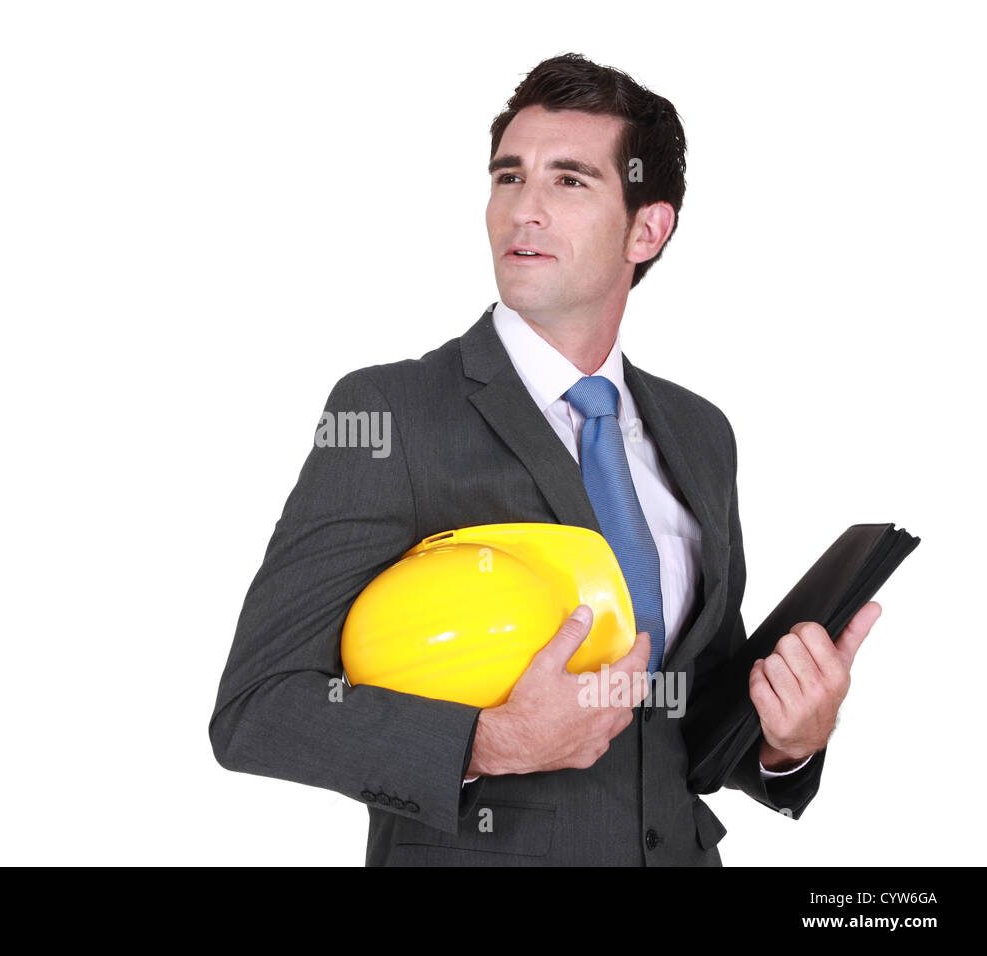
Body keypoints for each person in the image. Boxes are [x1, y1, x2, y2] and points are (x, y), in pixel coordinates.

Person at [208, 52, 881, 866]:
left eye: (569, 182)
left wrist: (789, 740)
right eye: (508, 177)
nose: (523, 210)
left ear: (648, 227)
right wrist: (488, 742)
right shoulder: (393, 412)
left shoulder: (701, 432)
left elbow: (687, 717)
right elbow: (256, 708)